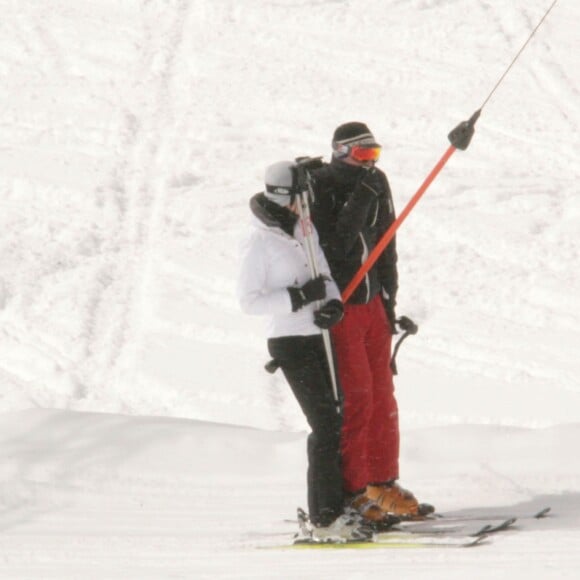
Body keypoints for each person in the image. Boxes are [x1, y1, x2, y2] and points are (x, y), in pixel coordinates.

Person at [237, 160, 368, 540]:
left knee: (338, 421)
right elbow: (249, 301)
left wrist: (332, 302)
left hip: (318, 334)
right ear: (282, 196)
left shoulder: (302, 227)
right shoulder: (257, 241)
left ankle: (338, 507)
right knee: (324, 425)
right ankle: (324, 519)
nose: (307, 201)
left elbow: (323, 273)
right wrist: (297, 298)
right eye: (301, 195)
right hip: (290, 341)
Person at [310, 122, 432, 518]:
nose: (370, 163)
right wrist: (362, 194)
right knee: (358, 398)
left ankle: (383, 483)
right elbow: (337, 244)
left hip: (373, 304)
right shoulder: (324, 184)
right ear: (341, 152)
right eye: (363, 155)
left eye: (374, 155)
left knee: (383, 397)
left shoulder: (377, 182)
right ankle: (354, 491)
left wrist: (390, 299)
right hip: (342, 303)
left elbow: (386, 244)